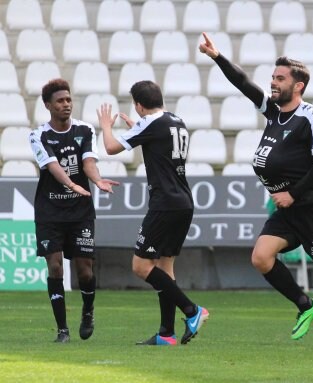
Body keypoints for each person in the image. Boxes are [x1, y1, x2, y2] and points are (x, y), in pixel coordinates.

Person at [198, 32, 313, 361]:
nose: (273, 83)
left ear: (298, 85)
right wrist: (217, 57)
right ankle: (305, 305)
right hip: (288, 210)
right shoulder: (274, 113)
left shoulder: (310, 117)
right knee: (261, 257)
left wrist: (292, 194)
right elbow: (244, 84)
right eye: (272, 77)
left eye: (280, 78)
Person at [96, 81, 208, 346]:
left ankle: (192, 311)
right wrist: (136, 129)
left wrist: (106, 127)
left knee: (141, 265)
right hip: (183, 201)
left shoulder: (150, 124)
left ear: (138, 105)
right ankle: (166, 333)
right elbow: (158, 143)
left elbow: (111, 148)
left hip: (165, 204)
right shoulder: (176, 121)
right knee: (165, 267)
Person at [29, 79, 119, 343]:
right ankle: (62, 330)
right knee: (55, 267)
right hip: (50, 212)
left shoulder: (84, 129)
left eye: (68, 99)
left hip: (80, 211)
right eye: (60, 101)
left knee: (85, 271)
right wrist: (70, 183)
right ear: (48, 105)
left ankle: (88, 311)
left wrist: (97, 179)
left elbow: (88, 161)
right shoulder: (38, 135)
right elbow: (53, 165)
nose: (66, 104)